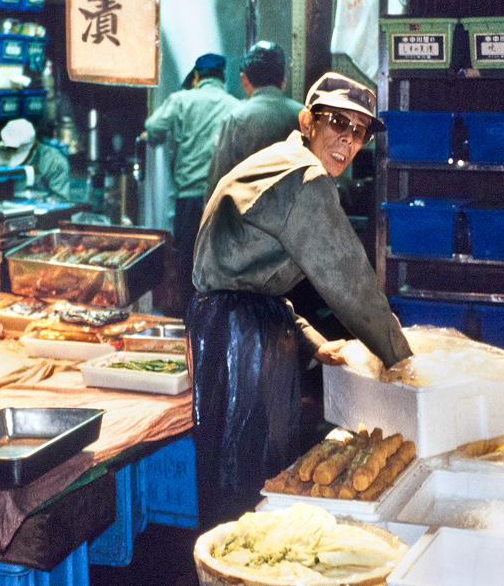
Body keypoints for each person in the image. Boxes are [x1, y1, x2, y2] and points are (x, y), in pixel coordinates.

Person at [188, 71, 413, 528]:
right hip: (238, 339)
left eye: (359, 131)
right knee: (245, 482)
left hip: (236, 325)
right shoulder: (306, 178)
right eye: (337, 123)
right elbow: (352, 285)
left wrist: (311, 341)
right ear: (308, 120)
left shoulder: (282, 160)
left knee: (247, 471)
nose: (348, 141)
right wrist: (404, 363)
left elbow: (256, 282)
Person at [144, 53, 240, 315]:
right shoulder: (235, 105)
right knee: (219, 262)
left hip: (189, 196)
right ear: (223, 78)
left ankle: (189, 319)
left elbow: (153, 126)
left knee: (188, 260)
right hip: (224, 198)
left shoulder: (182, 99)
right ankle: (216, 320)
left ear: (196, 76)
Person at [205, 42, 304, 198]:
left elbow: (218, 181)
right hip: (296, 215)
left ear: (245, 80)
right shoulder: (303, 115)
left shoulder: (236, 118)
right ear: (283, 82)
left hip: (246, 216)